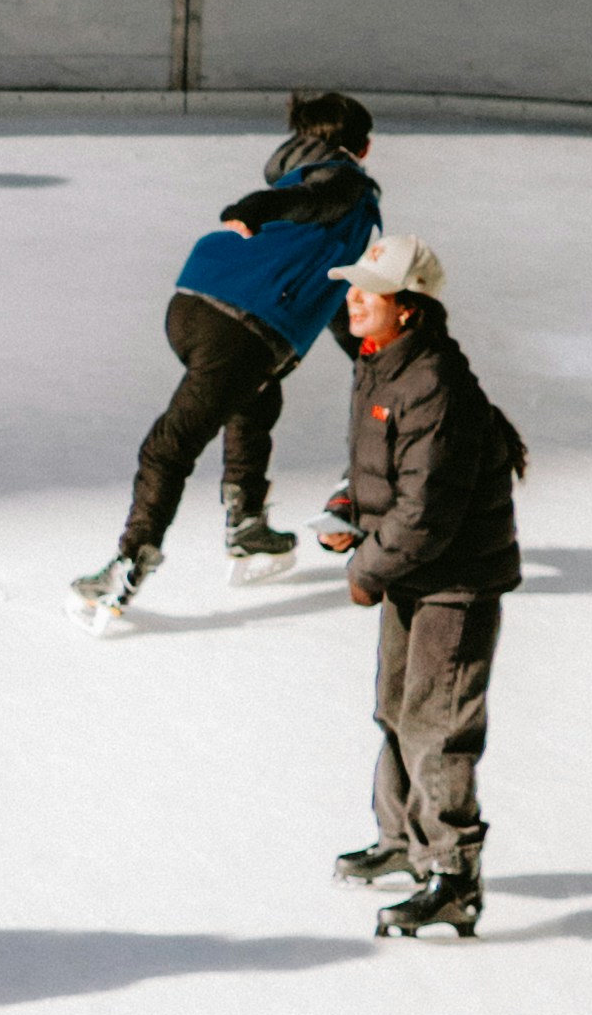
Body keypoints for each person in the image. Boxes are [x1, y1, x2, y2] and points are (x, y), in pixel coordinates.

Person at [69, 88, 382, 631]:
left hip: (197, 303)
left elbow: (327, 289)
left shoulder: (301, 178)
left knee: (257, 397)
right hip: (242, 327)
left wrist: (365, 353)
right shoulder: (345, 184)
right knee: (172, 445)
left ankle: (248, 524)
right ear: (365, 146)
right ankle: (130, 560)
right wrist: (256, 208)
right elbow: (310, 201)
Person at [317, 230, 524, 942]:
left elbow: (427, 509)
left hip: (454, 581)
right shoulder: (381, 366)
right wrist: (346, 509)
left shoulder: (433, 382)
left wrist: (366, 566)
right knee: (394, 709)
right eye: (351, 286)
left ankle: (453, 878)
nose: (351, 300)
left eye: (367, 292)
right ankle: (403, 840)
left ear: (408, 307)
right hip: (413, 571)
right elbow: (380, 469)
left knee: (437, 726)